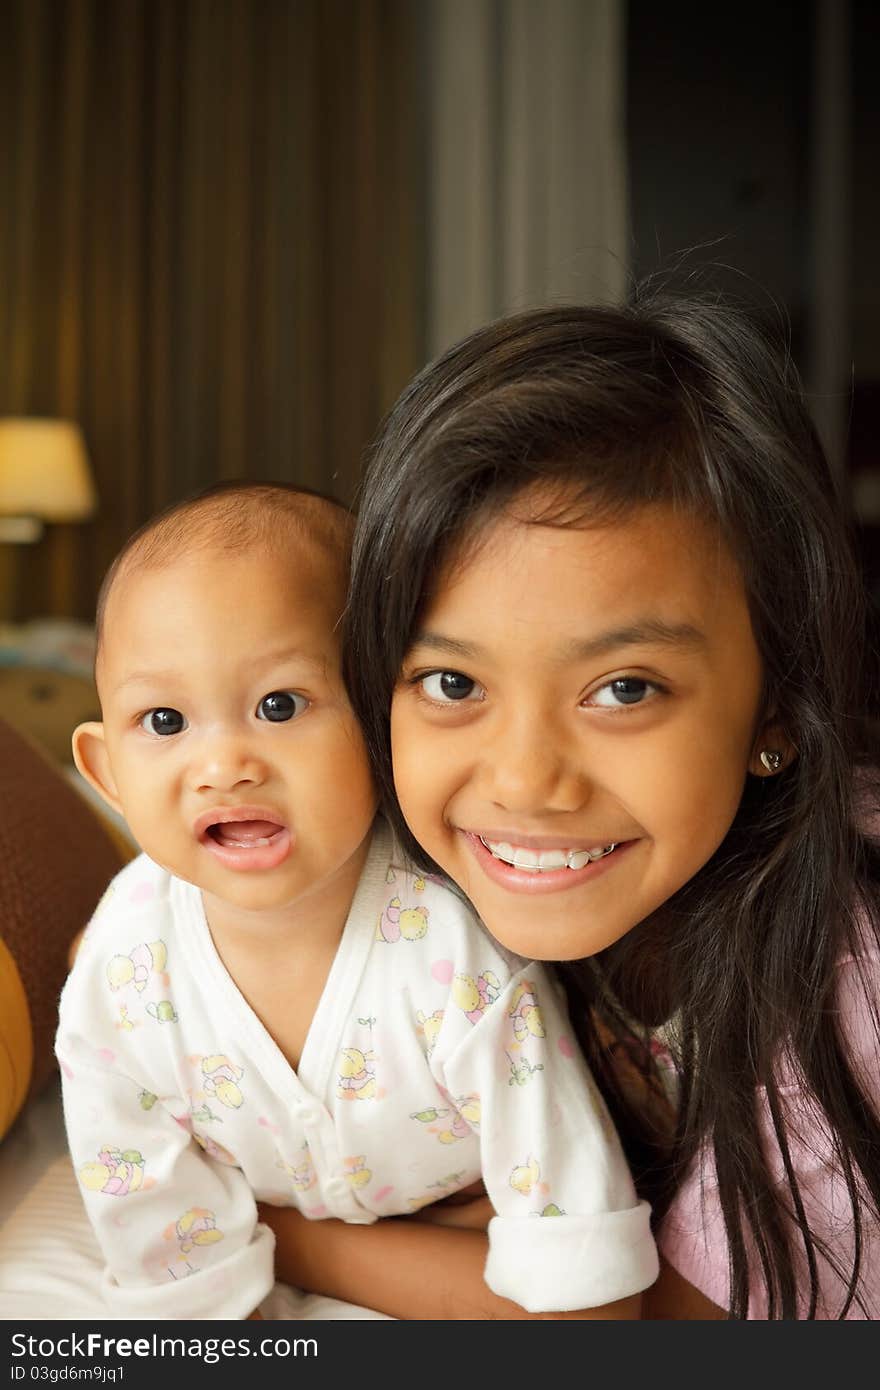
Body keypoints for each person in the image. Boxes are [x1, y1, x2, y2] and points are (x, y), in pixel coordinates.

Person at [260, 293, 880, 1319]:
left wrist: (280, 1233)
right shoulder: (396, 895)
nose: (523, 781)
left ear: (773, 703)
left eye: (624, 688)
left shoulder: (842, 977)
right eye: (452, 684)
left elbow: (626, 1327)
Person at [56, 481, 658, 1321]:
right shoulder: (121, 972)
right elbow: (153, 1216)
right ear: (107, 772)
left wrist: (560, 1270)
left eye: (279, 705)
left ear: (381, 723)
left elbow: (573, 1243)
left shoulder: (453, 946)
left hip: (466, 1207)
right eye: (164, 721)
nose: (225, 763)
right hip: (273, 1217)